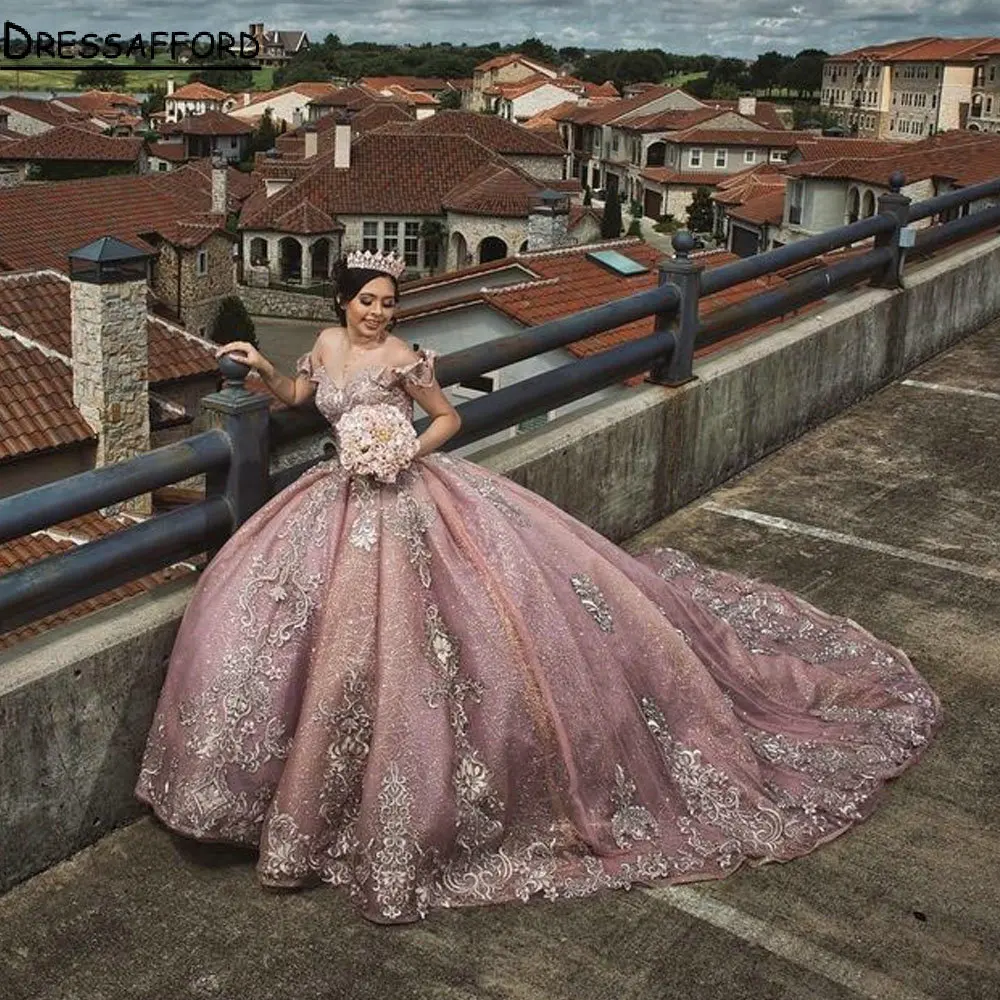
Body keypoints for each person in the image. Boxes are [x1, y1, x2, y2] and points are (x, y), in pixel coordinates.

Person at [136, 250, 941, 924]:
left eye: (387, 303)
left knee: (450, 637)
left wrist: (405, 452)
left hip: (409, 495)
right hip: (337, 498)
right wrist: (267, 372)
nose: (378, 313)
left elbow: (448, 421)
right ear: (343, 303)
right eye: (368, 302)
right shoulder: (326, 343)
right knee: (286, 624)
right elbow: (304, 402)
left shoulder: (405, 361)